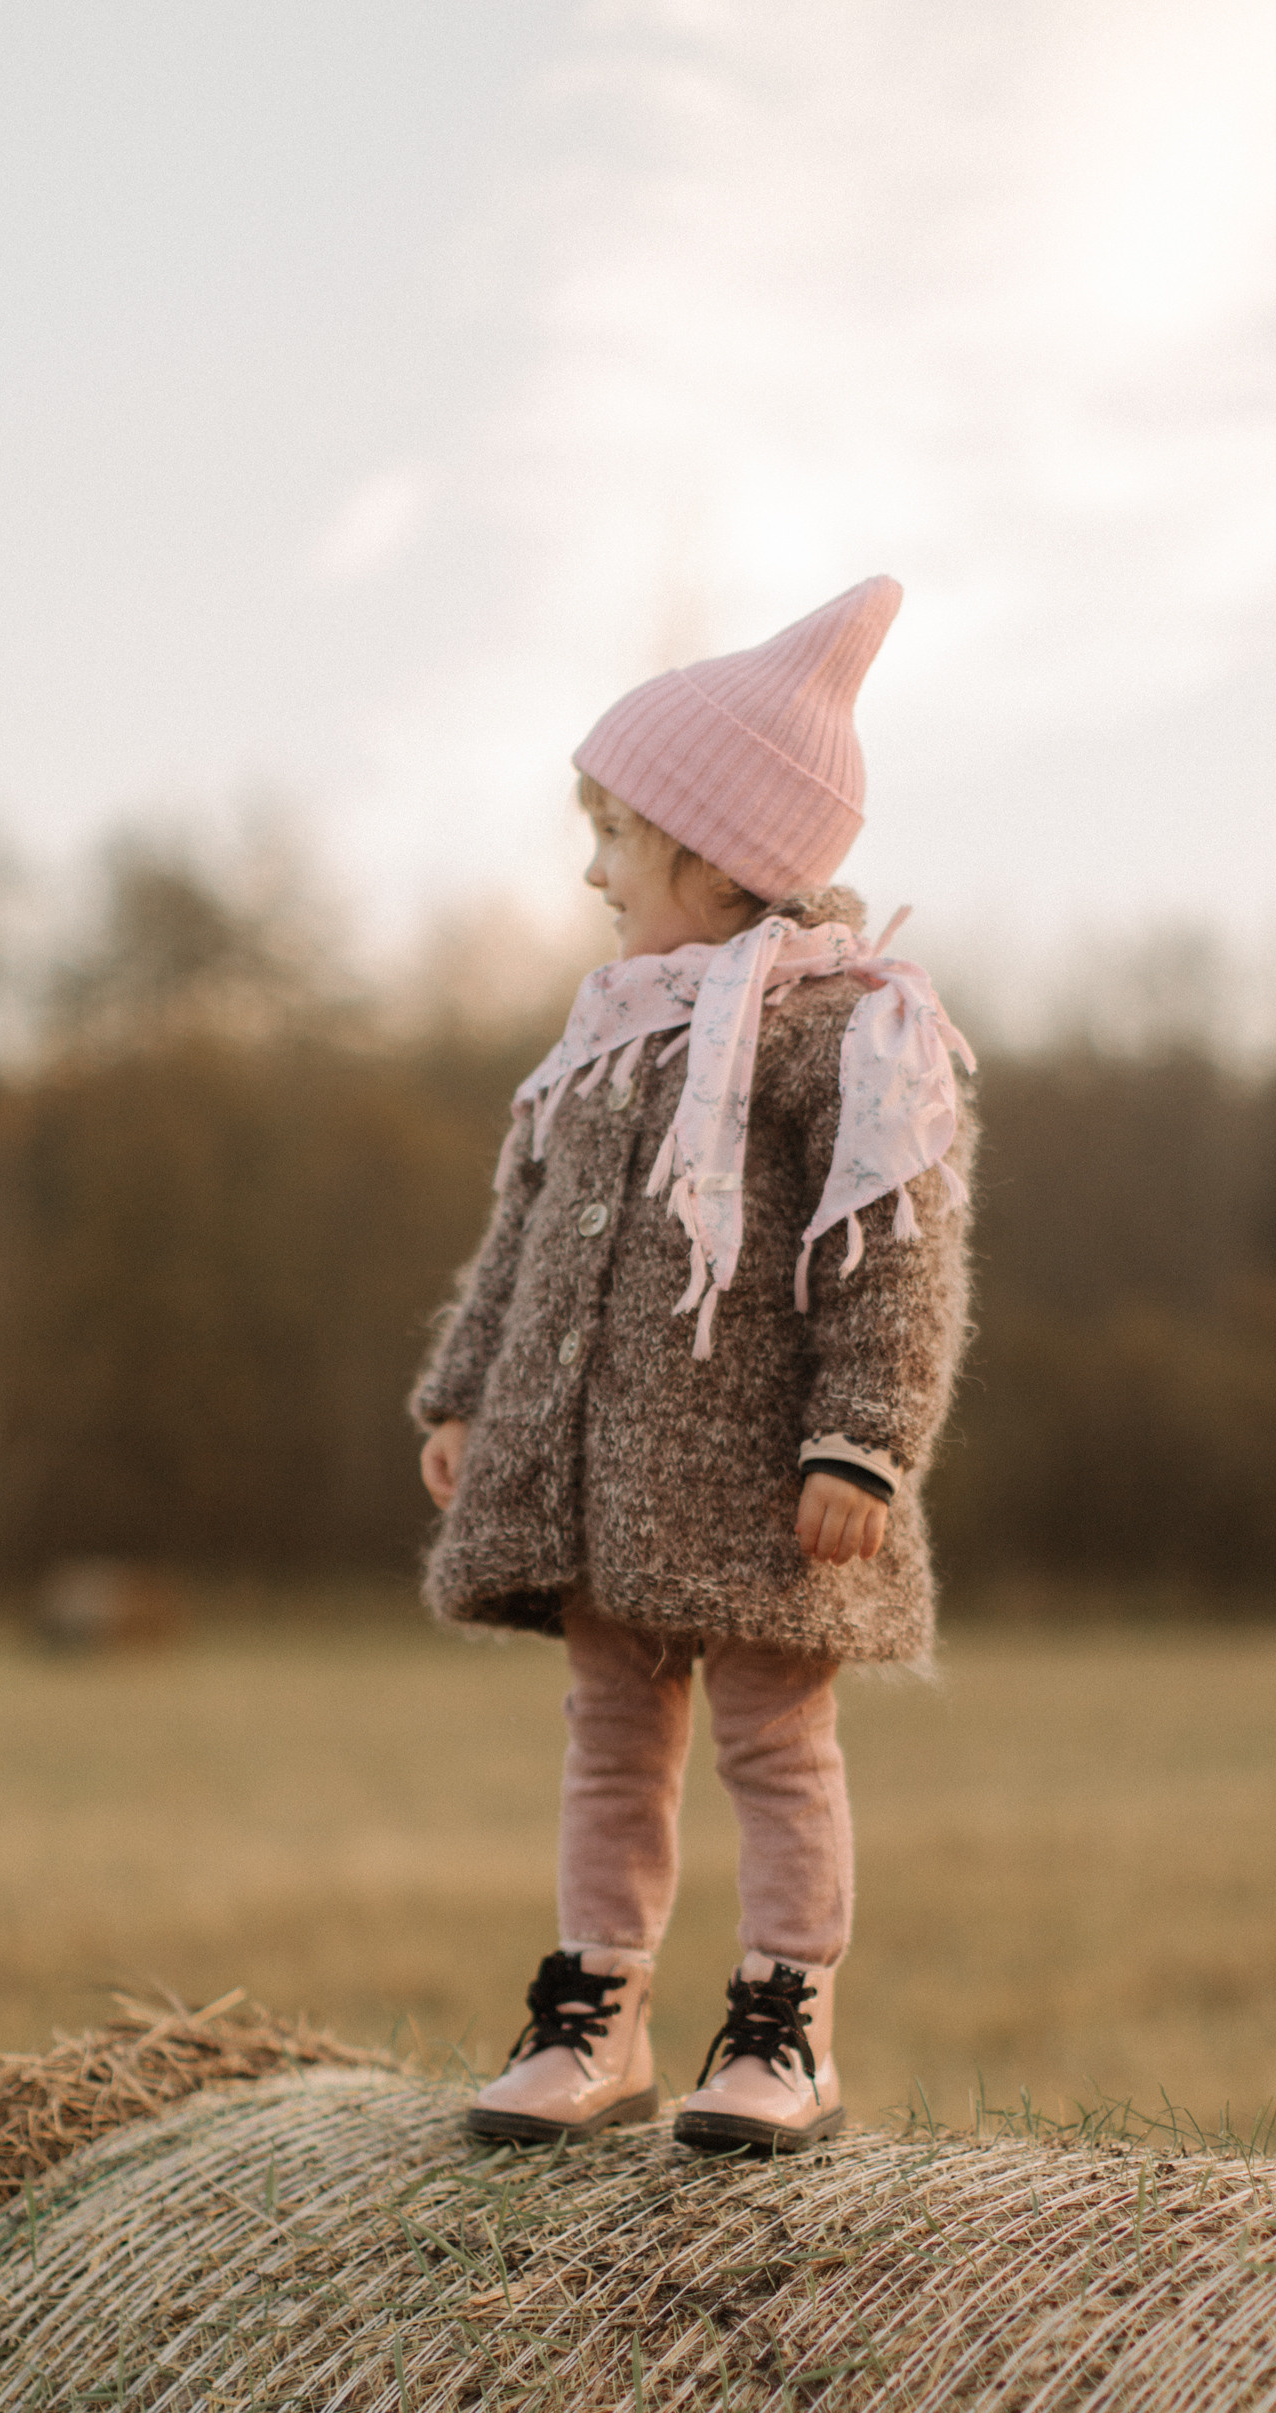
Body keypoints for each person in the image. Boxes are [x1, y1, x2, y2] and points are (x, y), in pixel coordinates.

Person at [411, 575, 975, 2156]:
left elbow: (894, 1256)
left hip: (759, 1489)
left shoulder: (841, 1035)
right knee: (611, 1748)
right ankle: (596, 2012)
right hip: (599, 1487)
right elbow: (521, 1241)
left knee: (778, 1751)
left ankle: (786, 2025)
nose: (592, 870)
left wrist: (863, 1442)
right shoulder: (601, 1042)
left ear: (716, 856)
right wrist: (463, 1388)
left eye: (614, 834)